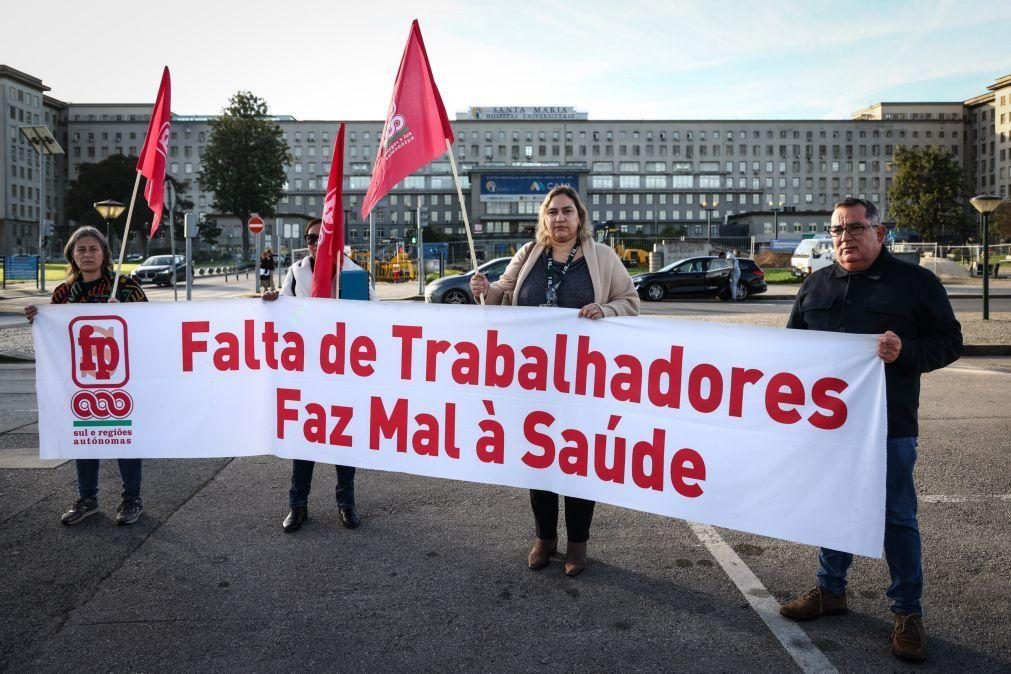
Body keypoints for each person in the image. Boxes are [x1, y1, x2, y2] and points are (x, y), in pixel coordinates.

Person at [780, 198, 962, 663]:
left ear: (880, 233)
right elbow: (789, 353)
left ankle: (907, 612)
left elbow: (949, 343)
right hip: (828, 427)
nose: (845, 238)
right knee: (834, 508)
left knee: (896, 519)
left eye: (856, 228)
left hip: (890, 426)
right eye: (837, 230)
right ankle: (831, 590)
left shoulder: (915, 283)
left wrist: (906, 352)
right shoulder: (816, 285)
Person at [470, 185, 639, 577]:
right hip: (533, 382)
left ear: (580, 217)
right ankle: (545, 538)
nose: (559, 218)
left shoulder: (603, 258)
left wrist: (606, 309)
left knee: (578, 461)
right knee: (541, 459)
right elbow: (501, 296)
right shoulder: (529, 255)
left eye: (567, 211)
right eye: (552, 212)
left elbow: (630, 302)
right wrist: (485, 290)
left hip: (584, 381)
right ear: (543, 219)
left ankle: (577, 544)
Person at [24, 226, 148, 526]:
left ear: (105, 254)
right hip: (80, 379)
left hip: (121, 377)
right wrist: (37, 319)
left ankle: (132, 498)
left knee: (124, 437)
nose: (87, 254)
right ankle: (87, 498)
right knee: (85, 436)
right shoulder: (63, 293)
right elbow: (56, 336)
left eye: (93, 249)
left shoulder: (126, 288)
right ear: (72, 255)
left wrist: (128, 314)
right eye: (81, 249)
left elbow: (151, 327)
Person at [262, 219, 376, 533]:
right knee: (305, 439)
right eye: (311, 238)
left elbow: (377, 318)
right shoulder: (297, 272)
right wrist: (274, 302)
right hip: (307, 369)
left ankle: (346, 504)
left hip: (344, 370)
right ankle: (297, 505)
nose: (316, 243)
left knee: (343, 439)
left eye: (322, 238)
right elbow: (284, 310)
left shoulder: (355, 274)